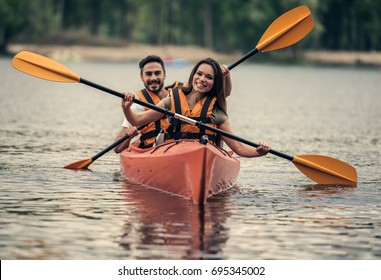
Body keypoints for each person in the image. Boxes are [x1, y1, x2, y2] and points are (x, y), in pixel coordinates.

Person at [121, 58, 270, 158]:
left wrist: (258, 152)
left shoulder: (216, 112)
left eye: (209, 77)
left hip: (203, 155)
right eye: (199, 74)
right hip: (172, 155)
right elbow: (137, 119)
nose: (202, 79)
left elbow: (238, 148)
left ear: (214, 83)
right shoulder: (171, 101)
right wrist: (126, 108)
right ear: (193, 75)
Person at [114, 55, 232, 153]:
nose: (153, 78)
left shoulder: (185, 91)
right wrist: (129, 137)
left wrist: (224, 78)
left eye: (157, 73)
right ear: (141, 77)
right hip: (154, 151)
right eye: (148, 74)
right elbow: (117, 148)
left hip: (188, 147)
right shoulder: (137, 105)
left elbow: (221, 95)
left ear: (164, 74)